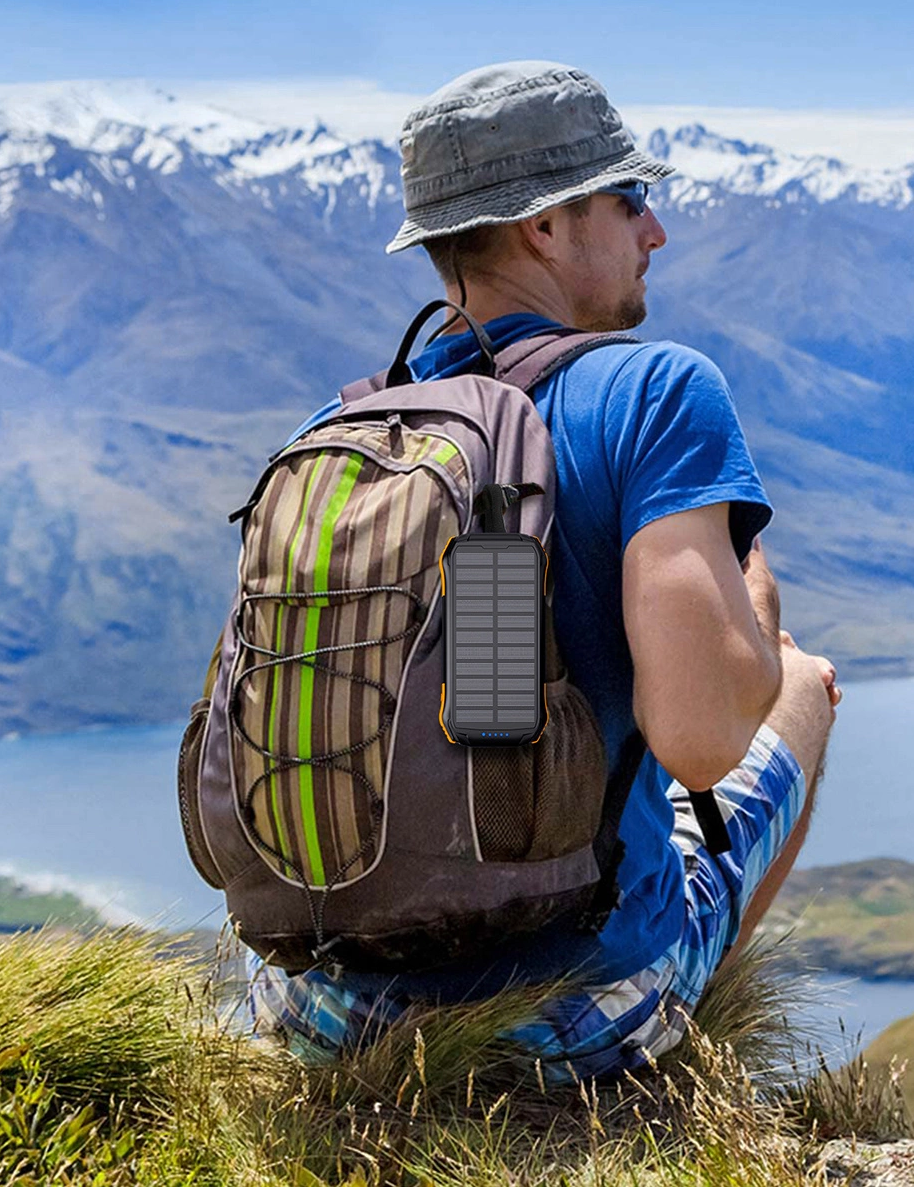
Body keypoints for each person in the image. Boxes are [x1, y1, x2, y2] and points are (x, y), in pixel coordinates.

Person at [249, 61, 840, 1080]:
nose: (654, 231)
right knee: (802, 683)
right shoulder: (656, 390)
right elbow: (700, 744)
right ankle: (681, 1021)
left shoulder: (336, 429)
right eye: (631, 200)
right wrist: (755, 612)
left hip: (318, 1009)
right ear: (548, 226)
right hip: (577, 1020)